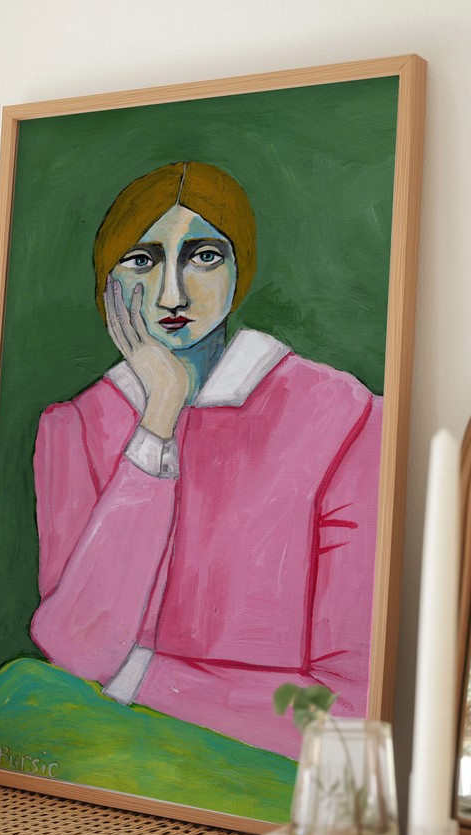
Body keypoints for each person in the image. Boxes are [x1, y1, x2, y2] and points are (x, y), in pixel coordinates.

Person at [30, 161, 382, 760]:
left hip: (269, 783)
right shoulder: (73, 428)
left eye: (204, 256)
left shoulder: (345, 418)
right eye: (142, 260)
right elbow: (75, 647)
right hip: (103, 771)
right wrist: (158, 421)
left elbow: (350, 714)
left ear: (240, 267)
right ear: (109, 281)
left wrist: (137, 676)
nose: (172, 294)